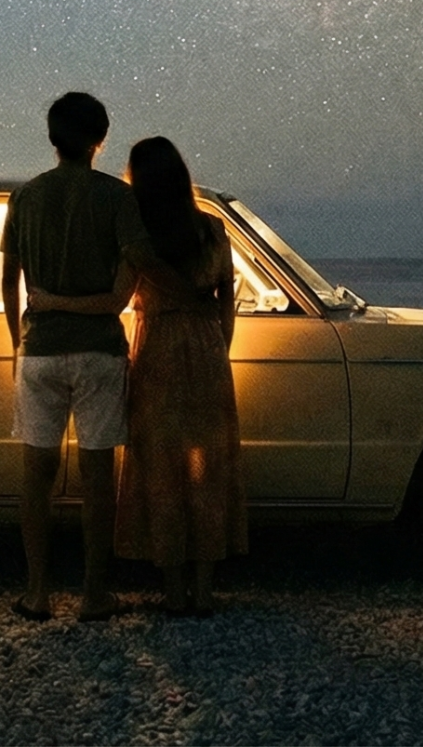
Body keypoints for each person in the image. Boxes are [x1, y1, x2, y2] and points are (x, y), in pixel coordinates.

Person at [0, 91, 151, 622]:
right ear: (100, 140)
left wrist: (16, 341)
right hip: (98, 351)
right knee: (96, 474)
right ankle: (93, 593)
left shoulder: (25, 197)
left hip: (39, 347)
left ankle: (37, 592)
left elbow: (9, 280)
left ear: (51, 139)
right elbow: (133, 271)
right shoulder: (117, 198)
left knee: (36, 474)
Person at [112, 135, 246, 615]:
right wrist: (218, 347)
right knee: (207, 467)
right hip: (208, 350)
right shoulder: (212, 229)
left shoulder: (138, 235)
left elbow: (122, 295)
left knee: (162, 469)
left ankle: (171, 589)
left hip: (158, 350)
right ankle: (205, 589)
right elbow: (227, 301)